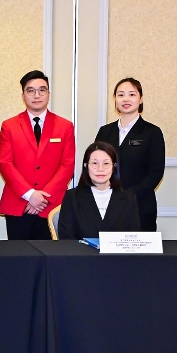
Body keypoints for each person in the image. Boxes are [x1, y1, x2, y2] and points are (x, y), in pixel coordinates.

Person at [0, 70, 75, 240]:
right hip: (19, 203)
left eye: (42, 90)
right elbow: (5, 164)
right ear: (23, 96)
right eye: (31, 91)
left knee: (51, 254)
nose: (37, 95)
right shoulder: (9, 126)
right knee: (19, 254)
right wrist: (30, 194)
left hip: (52, 205)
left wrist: (42, 197)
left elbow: (67, 165)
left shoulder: (65, 126)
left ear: (48, 94)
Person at [95, 78, 165, 232]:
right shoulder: (105, 131)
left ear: (141, 99)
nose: (126, 99)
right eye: (120, 95)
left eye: (132, 94)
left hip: (140, 206)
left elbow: (155, 173)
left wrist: (126, 195)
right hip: (106, 206)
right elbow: (95, 167)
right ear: (115, 100)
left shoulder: (152, 132)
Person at [55, 141, 142, 240]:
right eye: (94, 163)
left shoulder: (128, 198)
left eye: (106, 163)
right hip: (81, 250)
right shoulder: (72, 197)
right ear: (86, 166)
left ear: (114, 166)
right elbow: (66, 238)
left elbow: (133, 238)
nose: (100, 169)